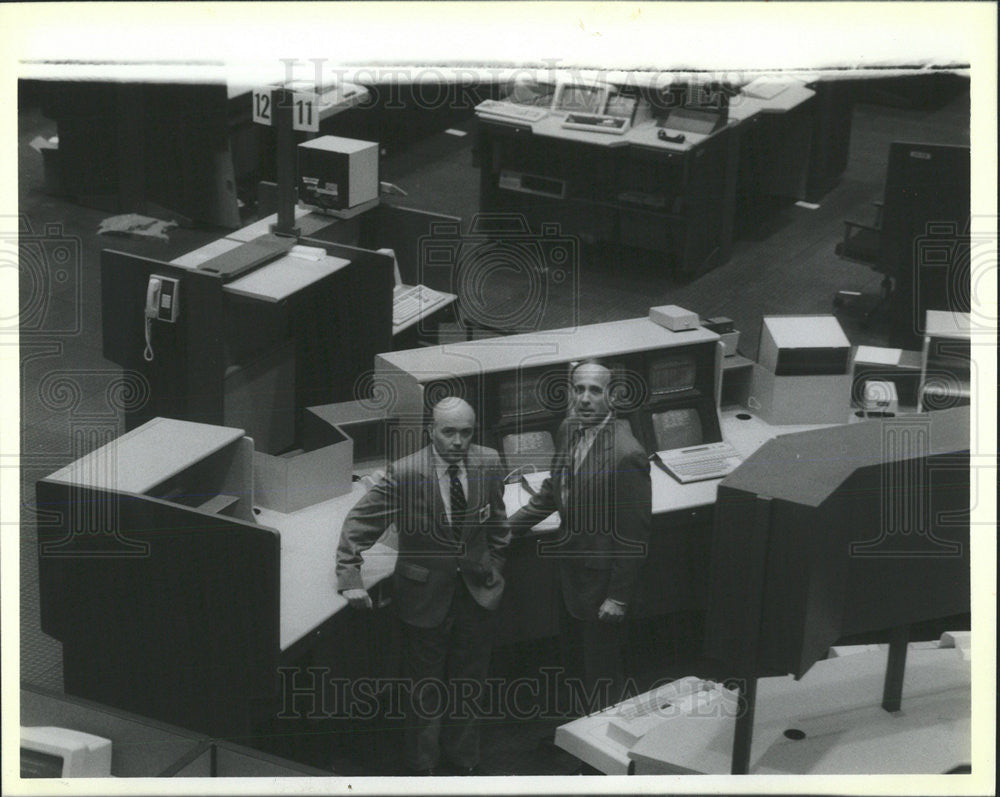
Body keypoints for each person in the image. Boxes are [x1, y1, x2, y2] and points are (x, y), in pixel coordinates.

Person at [336, 397, 509, 776]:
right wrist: (350, 575)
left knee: (469, 685)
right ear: (431, 431)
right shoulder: (406, 473)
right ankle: (422, 771)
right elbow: (358, 525)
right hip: (424, 598)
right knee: (424, 691)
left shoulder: (488, 462)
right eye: (449, 432)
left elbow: (498, 523)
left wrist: (494, 566)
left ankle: (464, 764)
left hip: (477, 594)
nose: (458, 441)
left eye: (466, 432)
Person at [508, 360, 651, 713]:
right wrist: (506, 529)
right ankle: (579, 735)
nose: (585, 398)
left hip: (602, 584)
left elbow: (635, 535)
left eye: (595, 390)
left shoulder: (626, 454)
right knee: (574, 662)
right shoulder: (570, 427)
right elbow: (553, 489)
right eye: (579, 389)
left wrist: (618, 598)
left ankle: (602, 760)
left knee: (602, 673)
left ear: (612, 396)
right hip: (571, 571)